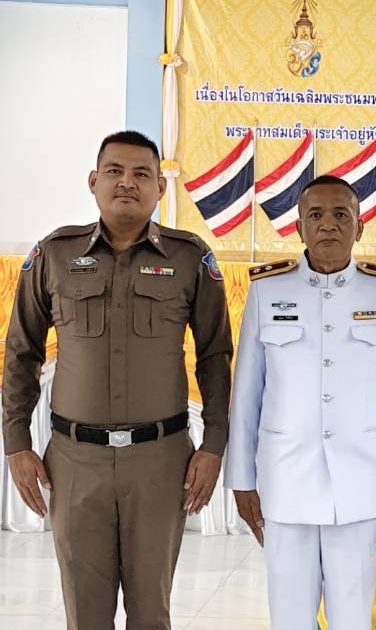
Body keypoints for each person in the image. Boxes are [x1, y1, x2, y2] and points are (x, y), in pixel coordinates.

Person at [2, 130, 232, 629]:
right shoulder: (54, 254)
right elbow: (22, 352)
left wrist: (214, 445)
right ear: (93, 181)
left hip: (160, 462)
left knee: (151, 614)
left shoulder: (189, 257)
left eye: (141, 174)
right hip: (74, 462)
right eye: (115, 171)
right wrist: (16, 443)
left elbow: (215, 356)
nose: (127, 182)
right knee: (85, 615)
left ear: (160, 188)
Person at [224, 175, 376, 629]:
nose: (328, 225)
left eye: (341, 215)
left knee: (352, 612)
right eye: (315, 215)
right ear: (299, 228)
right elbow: (247, 394)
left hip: (359, 480)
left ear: (360, 226)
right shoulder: (268, 291)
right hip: (285, 479)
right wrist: (241, 479)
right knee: (289, 613)